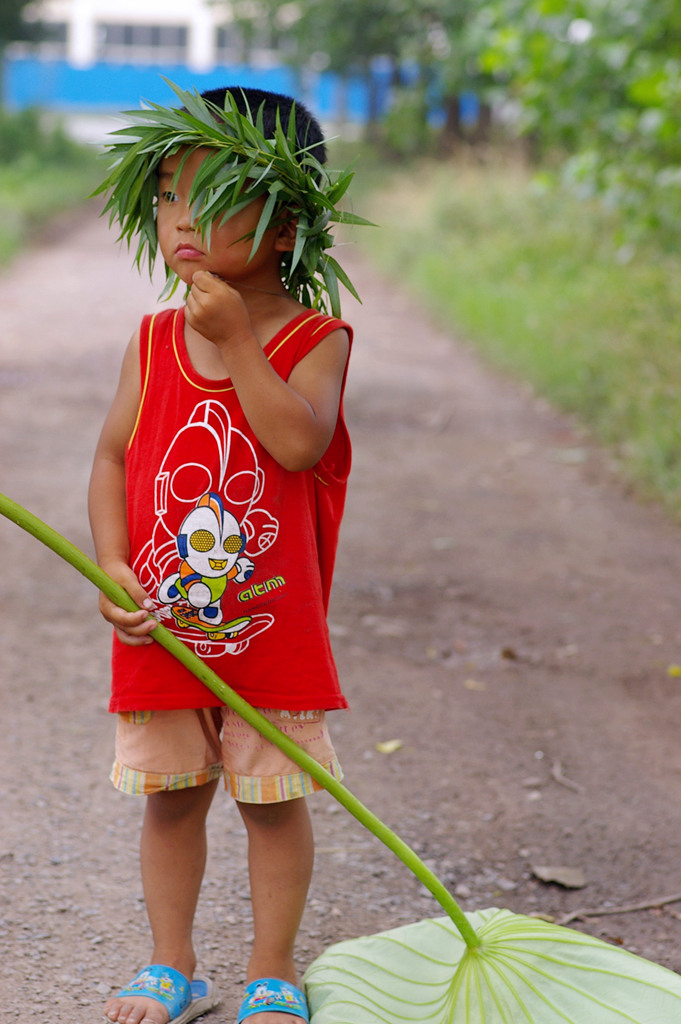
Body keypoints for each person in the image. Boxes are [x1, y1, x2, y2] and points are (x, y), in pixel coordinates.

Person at [88, 83, 360, 1024]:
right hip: (163, 628)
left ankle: (272, 969)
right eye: (167, 193)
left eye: (214, 195)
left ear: (286, 226)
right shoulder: (154, 338)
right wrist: (112, 564)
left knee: (271, 804)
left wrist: (240, 341)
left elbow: (297, 444)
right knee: (170, 802)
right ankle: (171, 965)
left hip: (268, 633)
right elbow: (114, 454)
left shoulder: (314, 339)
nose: (180, 219)